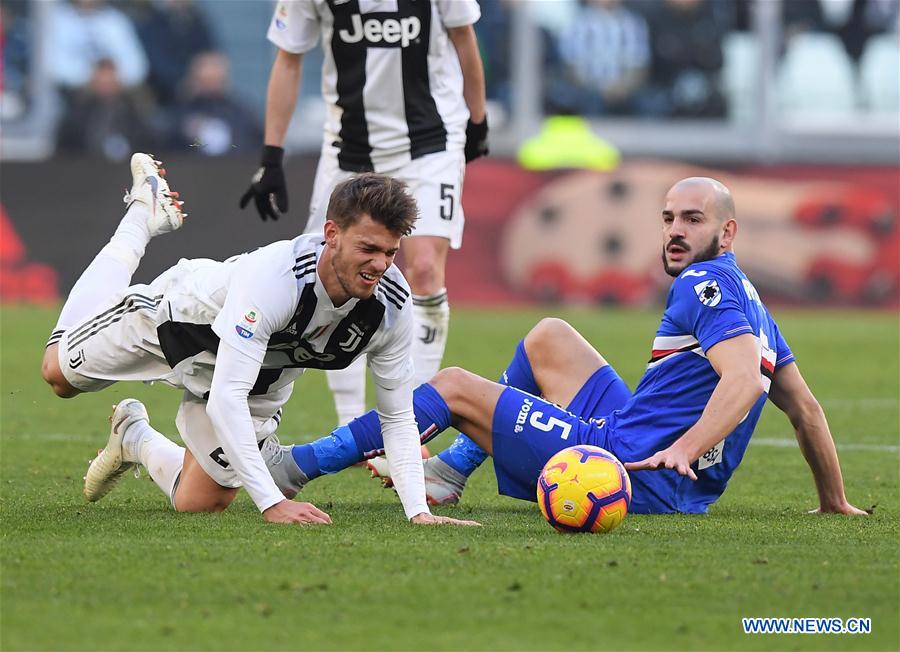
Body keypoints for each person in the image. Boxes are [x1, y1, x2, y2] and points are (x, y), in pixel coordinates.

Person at [264, 177, 867, 516]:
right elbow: (805, 409)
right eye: (668, 218)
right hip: (651, 451)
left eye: (693, 220)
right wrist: (833, 502)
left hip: (630, 467)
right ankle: (450, 470)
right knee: (550, 335)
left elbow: (742, 382)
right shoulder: (753, 303)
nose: (676, 232)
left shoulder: (703, 284)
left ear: (727, 232)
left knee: (451, 386)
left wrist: (683, 449)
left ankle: (295, 467)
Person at [40, 153, 478, 528]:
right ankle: (141, 216)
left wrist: (417, 512)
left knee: (200, 502)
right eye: (368, 248)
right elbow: (225, 397)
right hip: (174, 327)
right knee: (58, 374)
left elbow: (398, 417)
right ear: (331, 234)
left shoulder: (392, 303)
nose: (379, 264)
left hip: (260, 375)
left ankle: (134, 436)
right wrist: (273, 503)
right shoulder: (276, 278)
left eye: (390, 252)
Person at [239, 0, 489, 431]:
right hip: (349, 149)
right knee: (335, 273)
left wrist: (478, 118)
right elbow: (289, 58)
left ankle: (415, 421)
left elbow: (464, 38)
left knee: (426, 268)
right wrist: (271, 155)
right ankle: (351, 425)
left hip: (431, 140)